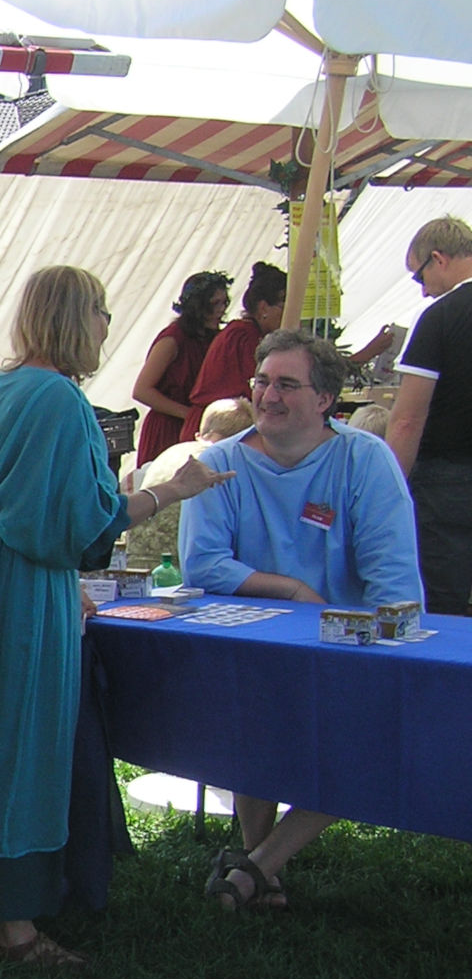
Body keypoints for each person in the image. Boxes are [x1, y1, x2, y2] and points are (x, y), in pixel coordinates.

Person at [0, 266, 232, 968]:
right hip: (21, 592)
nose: (108, 327)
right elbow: (80, 530)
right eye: (103, 312)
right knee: (19, 745)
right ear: (80, 318)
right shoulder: (60, 401)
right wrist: (171, 491)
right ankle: (15, 929)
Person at [180, 329, 423, 908]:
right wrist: (291, 588)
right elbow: (204, 563)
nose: (268, 395)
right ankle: (262, 867)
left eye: (287, 384)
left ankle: (259, 865)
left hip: (348, 646)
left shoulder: (364, 460)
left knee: (370, 743)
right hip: (252, 649)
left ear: (324, 401)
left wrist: (386, 646)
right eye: (262, 381)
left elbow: (393, 576)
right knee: (250, 728)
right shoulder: (219, 463)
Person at [389, 215, 472, 615]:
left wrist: (387, 488)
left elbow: (407, 420)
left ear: (437, 258)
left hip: (449, 483)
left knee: (445, 605)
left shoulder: (440, 317)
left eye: (418, 277)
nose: (422, 292)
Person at [128, 397, 255, 570]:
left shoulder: (171, 452)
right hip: (179, 570)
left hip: (134, 563)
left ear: (199, 434)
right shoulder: (221, 464)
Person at [133, 270, 230, 466]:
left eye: (224, 302)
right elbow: (142, 391)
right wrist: (188, 414)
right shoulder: (173, 339)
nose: (221, 309)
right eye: (214, 304)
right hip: (168, 427)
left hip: (199, 427)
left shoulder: (216, 338)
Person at [183, 262, 285, 440]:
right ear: (263, 308)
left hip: (226, 427)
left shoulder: (249, 333)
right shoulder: (242, 336)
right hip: (215, 429)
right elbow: (254, 388)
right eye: (282, 306)